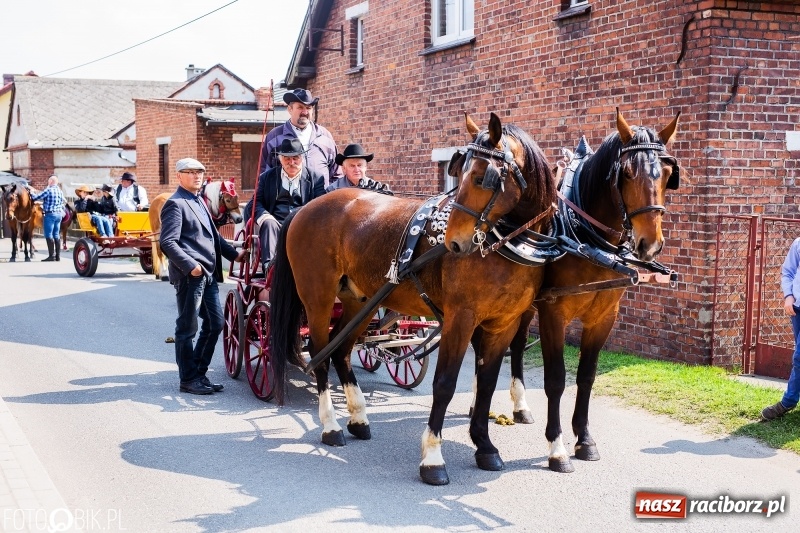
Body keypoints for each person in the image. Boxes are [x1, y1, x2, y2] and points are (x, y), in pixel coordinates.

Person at [159, 158, 246, 395]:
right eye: (190, 172)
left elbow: (214, 237)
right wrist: (191, 266)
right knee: (187, 328)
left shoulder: (198, 200)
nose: (196, 176)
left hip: (208, 274)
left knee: (216, 323)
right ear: (179, 176)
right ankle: (188, 379)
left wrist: (235, 255)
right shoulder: (175, 204)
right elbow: (167, 242)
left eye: (200, 172)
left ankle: (198, 373)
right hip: (191, 276)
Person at [254, 138, 325, 269]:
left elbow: (320, 206)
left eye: (295, 158)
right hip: (275, 224)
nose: (291, 162)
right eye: (287, 158)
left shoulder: (316, 178)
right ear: (280, 159)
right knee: (268, 223)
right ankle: (270, 269)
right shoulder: (267, 177)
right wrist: (265, 216)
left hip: (303, 225)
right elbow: (255, 203)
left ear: (302, 158)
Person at [258, 88, 342, 189]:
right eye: (300, 107)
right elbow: (264, 176)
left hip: (322, 198)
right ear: (290, 109)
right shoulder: (274, 137)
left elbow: (336, 175)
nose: (305, 112)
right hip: (285, 198)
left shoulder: (325, 136)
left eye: (308, 108)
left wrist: (328, 195)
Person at [762, 238, 800, 421]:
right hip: (797, 309)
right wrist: (789, 295)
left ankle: (788, 401)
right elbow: (788, 272)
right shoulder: (799, 243)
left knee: (799, 357)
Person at [326, 143, 392, 194]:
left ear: (365, 167)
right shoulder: (333, 190)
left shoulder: (376, 188)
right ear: (344, 168)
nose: (356, 170)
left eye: (359, 165)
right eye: (352, 166)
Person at [28, 175, 66, 261]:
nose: (48, 182)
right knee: (56, 234)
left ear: (51, 181)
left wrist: (32, 192)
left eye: (48, 181)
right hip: (59, 215)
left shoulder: (49, 190)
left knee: (48, 234)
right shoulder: (60, 191)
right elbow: (63, 201)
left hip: (50, 215)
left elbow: (36, 197)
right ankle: (57, 256)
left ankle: (51, 256)